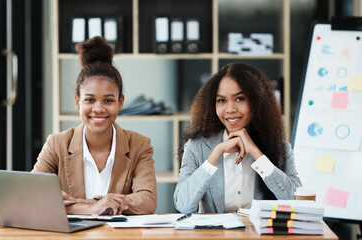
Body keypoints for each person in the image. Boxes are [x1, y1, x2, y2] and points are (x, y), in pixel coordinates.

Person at [32, 36, 157, 215]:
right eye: (90, 100)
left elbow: (147, 200)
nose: (98, 109)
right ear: (77, 102)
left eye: (108, 100)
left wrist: (80, 204)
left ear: (120, 102)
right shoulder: (56, 144)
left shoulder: (139, 145)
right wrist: (92, 207)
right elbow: (35, 195)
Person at [173, 63, 302, 214]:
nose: (230, 109)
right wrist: (217, 153)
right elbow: (183, 205)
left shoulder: (281, 149)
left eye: (239, 99)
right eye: (221, 100)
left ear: (256, 102)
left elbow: (297, 202)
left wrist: (256, 153)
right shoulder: (196, 147)